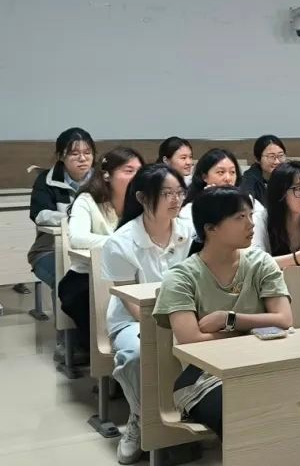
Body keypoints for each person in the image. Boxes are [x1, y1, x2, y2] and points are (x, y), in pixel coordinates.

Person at [153, 186, 293, 439]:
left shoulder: (261, 263)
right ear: (211, 228)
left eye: (250, 215)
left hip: (264, 364)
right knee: (253, 421)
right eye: (240, 217)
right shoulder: (180, 277)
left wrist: (228, 319)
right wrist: (254, 331)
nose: (251, 223)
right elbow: (192, 341)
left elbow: (284, 319)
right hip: (205, 378)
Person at [101, 164, 193, 463]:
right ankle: (140, 418)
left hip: (182, 314)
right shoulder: (120, 242)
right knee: (137, 354)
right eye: (166, 193)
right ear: (142, 198)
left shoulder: (190, 232)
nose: (176, 199)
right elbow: (132, 303)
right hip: (133, 320)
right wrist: (170, 330)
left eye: (180, 192)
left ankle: (184, 417)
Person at [61, 147, 144, 354]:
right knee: (84, 300)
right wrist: (120, 243)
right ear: (107, 175)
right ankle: (99, 357)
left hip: (132, 276)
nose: (136, 177)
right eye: (129, 171)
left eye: (139, 171)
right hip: (86, 276)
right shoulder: (87, 200)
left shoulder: (142, 202)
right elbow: (77, 238)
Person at [26, 127, 96, 290]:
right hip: (49, 249)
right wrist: (76, 218)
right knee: (69, 282)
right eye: (74, 153)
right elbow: (40, 215)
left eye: (87, 152)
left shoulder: (102, 180)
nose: (82, 158)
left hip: (92, 248)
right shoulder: (46, 180)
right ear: (61, 156)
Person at [181, 148, 266, 248]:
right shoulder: (189, 210)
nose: (228, 178)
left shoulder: (249, 202)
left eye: (232, 172)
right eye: (221, 172)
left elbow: (258, 244)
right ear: (204, 177)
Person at [239, 134, 287, 206]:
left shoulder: (290, 175)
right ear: (257, 159)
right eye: (271, 156)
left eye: (280, 156)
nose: (277, 161)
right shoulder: (249, 180)